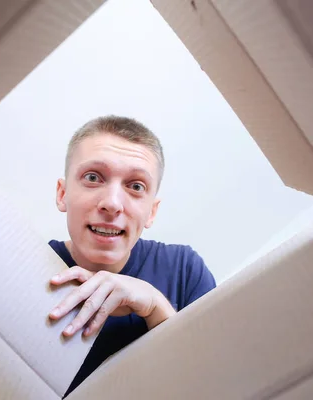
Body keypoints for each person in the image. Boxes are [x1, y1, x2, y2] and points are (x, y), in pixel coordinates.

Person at [47, 115, 216, 396]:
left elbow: (217, 384)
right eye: (93, 177)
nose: (112, 204)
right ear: (62, 194)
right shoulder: (23, 268)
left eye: (136, 186)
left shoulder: (184, 269)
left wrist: (154, 307)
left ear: (152, 211)